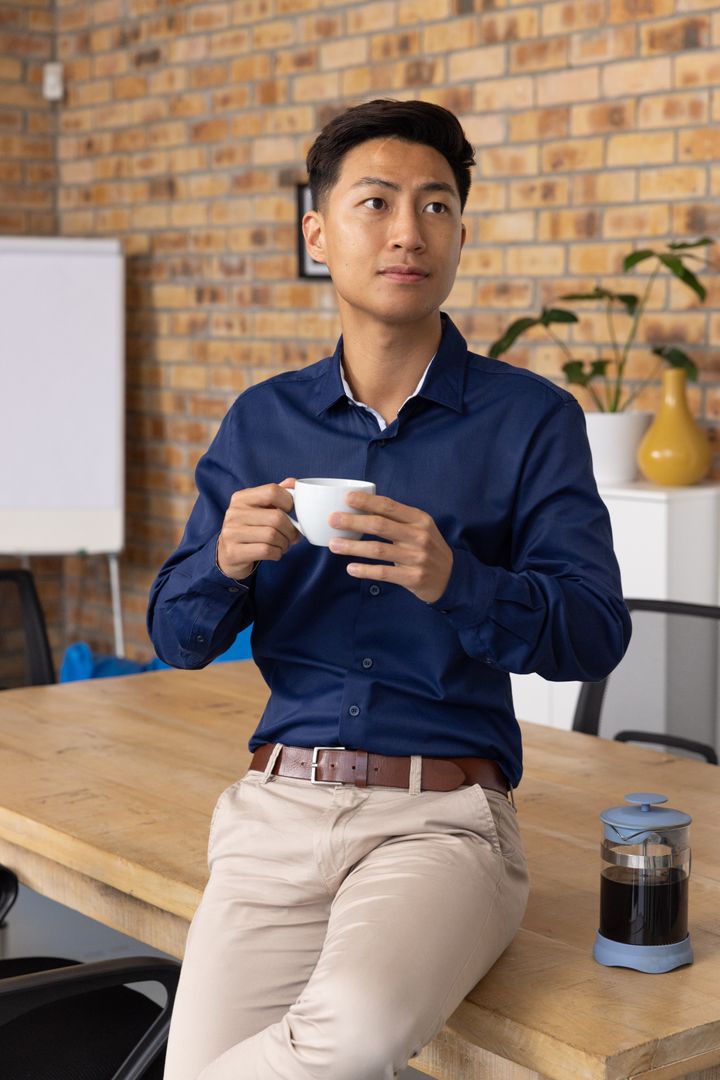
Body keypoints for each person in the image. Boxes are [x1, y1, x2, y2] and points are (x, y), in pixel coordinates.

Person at [148, 98, 631, 1080]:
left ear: (460, 235)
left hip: (443, 823)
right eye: (376, 203)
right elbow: (174, 636)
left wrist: (457, 581)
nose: (409, 231)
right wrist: (224, 561)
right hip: (275, 807)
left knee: (352, 1033)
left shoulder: (531, 420)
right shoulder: (261, 422)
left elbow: (594, 632)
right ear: (317, 233)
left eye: (437, 206)